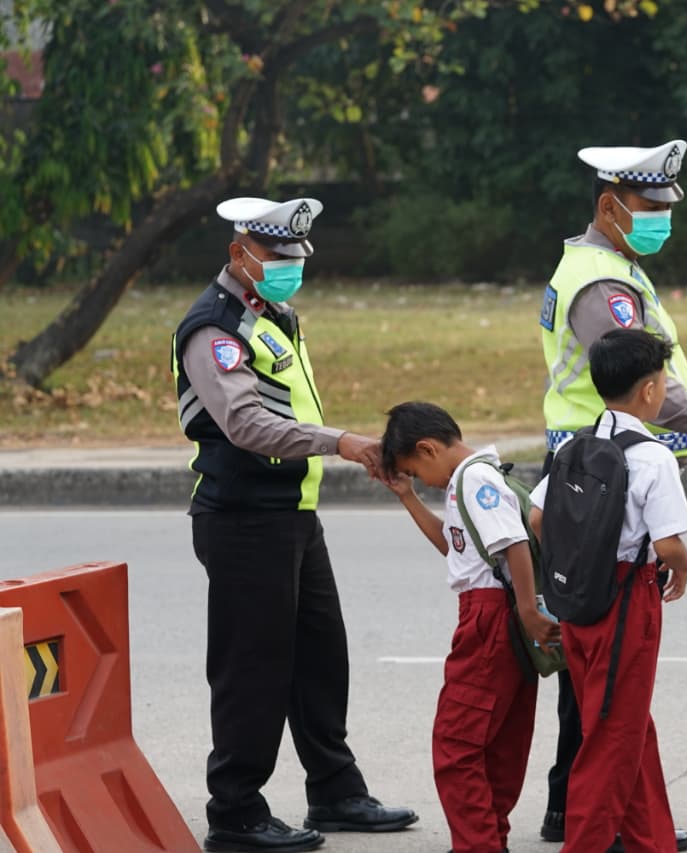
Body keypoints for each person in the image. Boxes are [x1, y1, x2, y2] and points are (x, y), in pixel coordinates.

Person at [537, 138, 687, 850]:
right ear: (611, 206)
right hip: (602, 483)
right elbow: (650, 387)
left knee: (604, 683)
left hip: (595, 477)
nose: (661, 220)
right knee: (605, 681)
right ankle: (587, 818)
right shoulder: (600, 285)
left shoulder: (614, 266)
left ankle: (618, 818)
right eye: (649, 208)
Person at [172, 197, 417, 853]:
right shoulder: (214, 328)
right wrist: (341, 441)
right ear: (239, 254)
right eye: (276, 255)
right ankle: (235, 811)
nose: (289, 267)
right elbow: (246, 424)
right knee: (253, 667)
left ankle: (335, 791)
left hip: (291, 513)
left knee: (320, 657)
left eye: (295, 256)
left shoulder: (270, 314)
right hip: (244, 517)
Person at [529, 328, 687, 853]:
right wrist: (684, 568)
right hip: (627, 601)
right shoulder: (653, 457)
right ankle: (586, 843)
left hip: (580, 599)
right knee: (612, 735)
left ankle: (652, 839)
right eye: (663, 381)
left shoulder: (575, 444)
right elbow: (668, 545)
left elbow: (537, 517)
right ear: (649, 390)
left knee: (624, 723)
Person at [380, 401, 558, 853]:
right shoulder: (472, 478)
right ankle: (489, 838)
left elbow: (514, 543)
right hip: (501, 613)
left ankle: (478, 844)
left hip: (490, 617)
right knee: (500, 741)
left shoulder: (474, 480)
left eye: (415, 471)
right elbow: (457, 548)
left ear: (428, 448)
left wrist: (526, 611)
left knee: (456, 743)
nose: (422, 481)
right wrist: (408, 496)